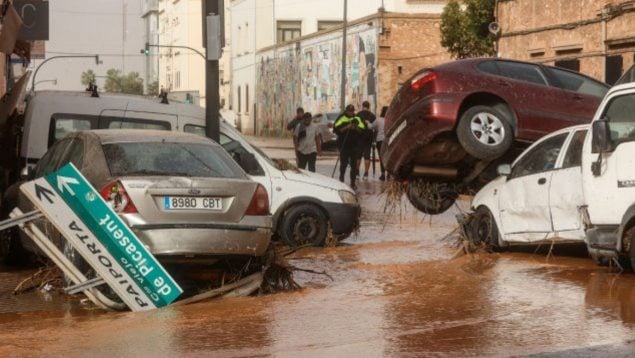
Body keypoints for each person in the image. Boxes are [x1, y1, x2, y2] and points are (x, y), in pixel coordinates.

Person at [334, 104, 366, 190]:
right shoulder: (341, 117)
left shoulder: (357, 118)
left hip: (354, 145)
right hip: (343, 145)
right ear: (346, 111)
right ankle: (341, 181)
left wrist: (356, 128)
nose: (351, 113)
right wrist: (346, 127)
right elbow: (336, 130)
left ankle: (352, 183)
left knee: (354, 165)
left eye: (352, 111)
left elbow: (363, 130)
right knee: (343, 164)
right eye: (349, 111)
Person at [356, 100, 376, 179]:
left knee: (358, 156)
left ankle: (357, 173)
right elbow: (375, 128)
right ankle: (366, 174)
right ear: (369, 106)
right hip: (369, 138)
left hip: (359, 138)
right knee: (367, 156)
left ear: (362, 106)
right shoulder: (372, 116)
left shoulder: (358, 115)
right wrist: (374, 138)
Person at [372, 106, 388, 181]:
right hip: (389, 140)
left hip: (380, 141)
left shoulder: (378, 120)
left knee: (381, 158)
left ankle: (383, 174)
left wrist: (367, 122)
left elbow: (371, 126)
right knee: (388, 157)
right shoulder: (390, 119)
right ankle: (389, 174)